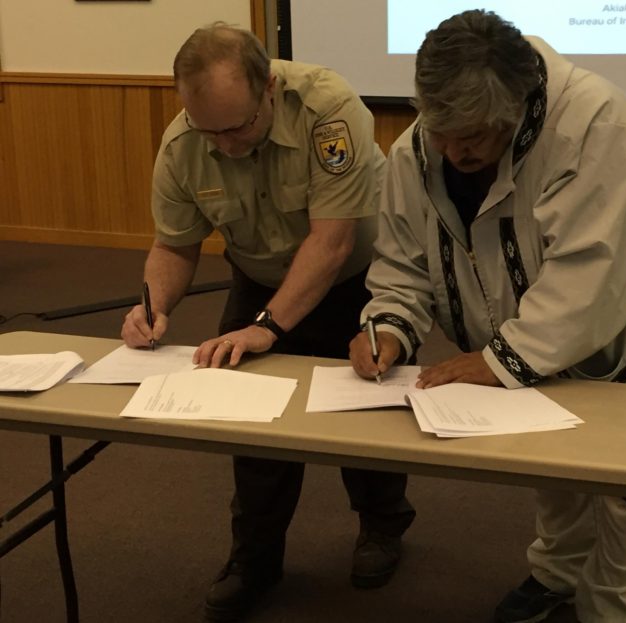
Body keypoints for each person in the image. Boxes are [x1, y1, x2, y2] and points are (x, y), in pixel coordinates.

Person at [349, 10, 626, 623]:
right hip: (534, 328)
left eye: (470, 136)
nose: (450, 149)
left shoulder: (599, 127)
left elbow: (593, 278)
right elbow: (402, 257)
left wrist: (499, 360)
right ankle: (556, 575)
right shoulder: (421, 147)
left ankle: (613, 608)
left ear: (519, 107)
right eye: (439, 129)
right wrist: (387, 325)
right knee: (552, 459)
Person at [121, 23, 415, 622]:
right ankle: (254, 558)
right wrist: (153, 307)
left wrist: (267, 328)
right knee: (247, 417)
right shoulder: (184, 141)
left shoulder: (329, 111)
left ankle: (382, 528)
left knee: (366, 411)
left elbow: (331, 242)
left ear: (270, 90)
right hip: (259, 276)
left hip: (353, 275)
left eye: (238, 127)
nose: (225, 145)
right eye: (210, 130)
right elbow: (174, 246)